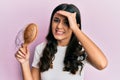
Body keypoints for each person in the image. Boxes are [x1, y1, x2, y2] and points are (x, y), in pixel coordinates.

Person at [15, 3, 108, 80]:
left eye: (66, 22)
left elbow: (102, 64)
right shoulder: (41, 49)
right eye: (56, 20)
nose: (59, 26)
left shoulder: (82, 50)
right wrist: (24, 63)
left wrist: (75, 29)